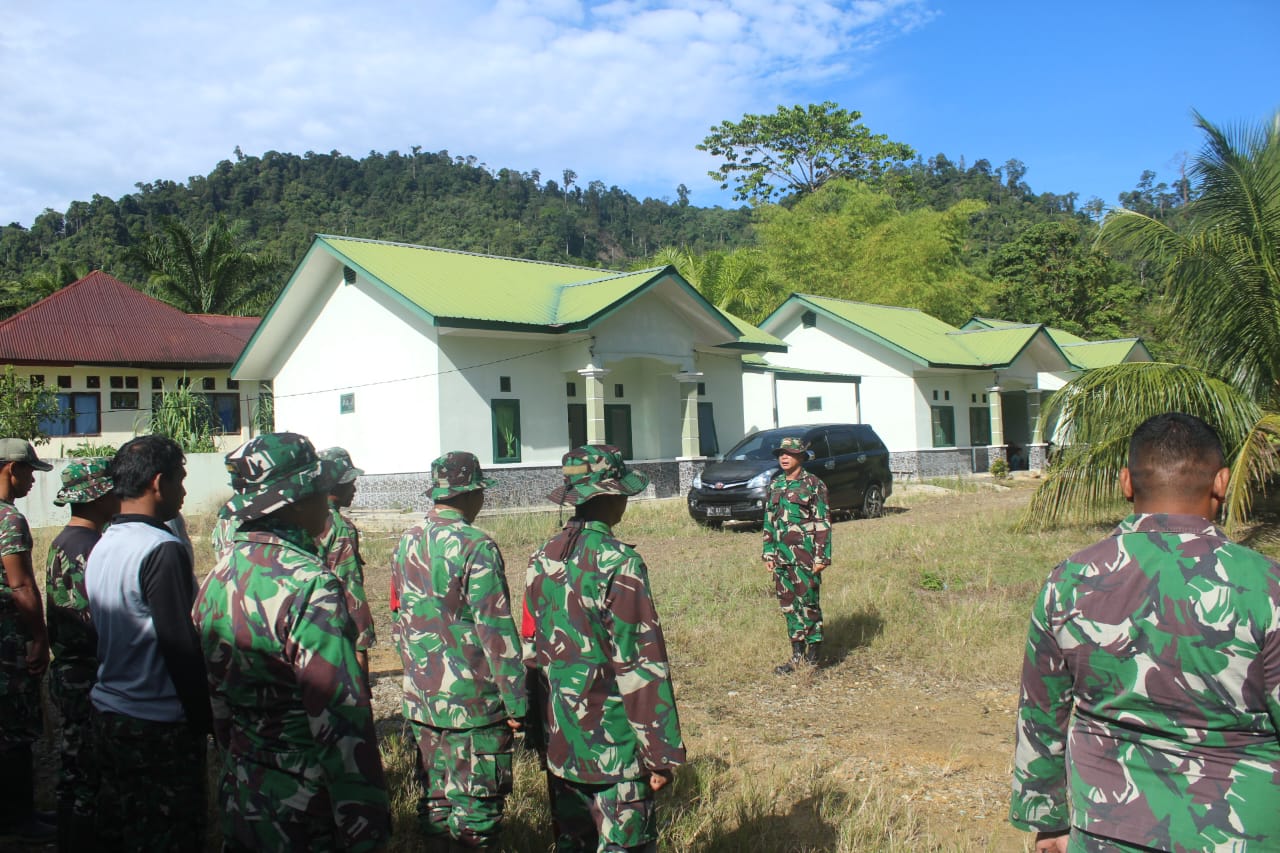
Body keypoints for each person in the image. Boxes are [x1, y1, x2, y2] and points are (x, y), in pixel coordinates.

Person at [1011, 412, 1280, 852]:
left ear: (1126, 483)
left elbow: (1040, 716)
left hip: (1106, 826)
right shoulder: (1267, 587)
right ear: (1222, 482)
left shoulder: (1069, 581)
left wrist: (1050, 822)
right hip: (1241, 831)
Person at [194, 433, 390, 852]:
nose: (328, 499)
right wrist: (366, 823)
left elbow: (218, 707)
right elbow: (339, 720)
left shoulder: (217, 578)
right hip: (304, 810)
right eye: (320, 489)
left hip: (244, 795)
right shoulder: (309, 584)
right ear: (298, 501)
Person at [524, 444, 686, 853]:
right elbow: (640, 664)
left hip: (562, 744)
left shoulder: (541, 557)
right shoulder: (619, 562)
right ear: (612, 496)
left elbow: (531, 652)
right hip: (615, 751)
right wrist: (660, 752)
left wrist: (538, 734)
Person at [391, 451, 526, 851]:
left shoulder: (407, 540)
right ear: (470, 494)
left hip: (423, 698)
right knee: (476, 816)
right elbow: (495, 629)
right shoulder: (475, 546)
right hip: (473, 707)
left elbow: (401, 614)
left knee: (435, 806)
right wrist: (517, 701)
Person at [86, 435, 211, 851]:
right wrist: (204, 720)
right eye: (181, 480)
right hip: (156, 724)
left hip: (109, 709)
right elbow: (180, 646)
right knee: (168, 833)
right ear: (159, 483)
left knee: (119, 828)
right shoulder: (161, 548)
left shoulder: (103, 543)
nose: (184, 492)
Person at [45, 457, 118, 851]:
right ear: (96, 496)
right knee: (88, 771)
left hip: (68, 669)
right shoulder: (90, 548)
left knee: (72, 767)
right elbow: (97, 619)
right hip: (86, 671)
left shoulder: (63, 540)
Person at [0, 438, 55, 842]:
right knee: (13, 733)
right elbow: (20, 585)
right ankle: (18, 823)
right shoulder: (8, 520)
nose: (32, 480)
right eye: (29, 471)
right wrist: (39, 636)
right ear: (9, 470)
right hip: (7, 643)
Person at [762, 437, 831, 674]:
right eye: (781, 453)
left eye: (789, 453)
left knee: (809, 604)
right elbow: (769, 521)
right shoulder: (775, 485)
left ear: (801, 456)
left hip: (805, 557)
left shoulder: (814, 484)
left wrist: (822, 557)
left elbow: (822, 522)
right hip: (781, 558)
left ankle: (814, 658)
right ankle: (796, 656)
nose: (784, 457)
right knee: (788, 606)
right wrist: (768, 553)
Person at [317, 447, 376, 683]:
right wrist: (362, 643)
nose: (354, 487)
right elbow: (350, 587)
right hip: (336, 628)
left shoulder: (301, 519)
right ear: (335, 485)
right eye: (350, 481)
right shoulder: (340, 527)